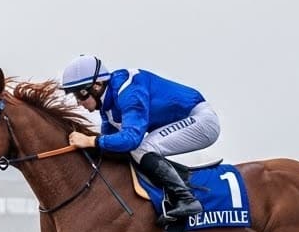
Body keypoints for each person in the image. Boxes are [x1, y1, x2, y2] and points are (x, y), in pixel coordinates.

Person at [60, 54, 221, 223]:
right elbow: (111, 145)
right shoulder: (107, 108)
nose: (78, 102)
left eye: (81, 94)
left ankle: (187, 199)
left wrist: (91, 141)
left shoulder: (128, 91)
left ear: (98, 85)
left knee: (141, 148)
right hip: (187, 120)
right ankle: (181, 183)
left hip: (202, 120)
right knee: (135, 150)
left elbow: (131, 139)